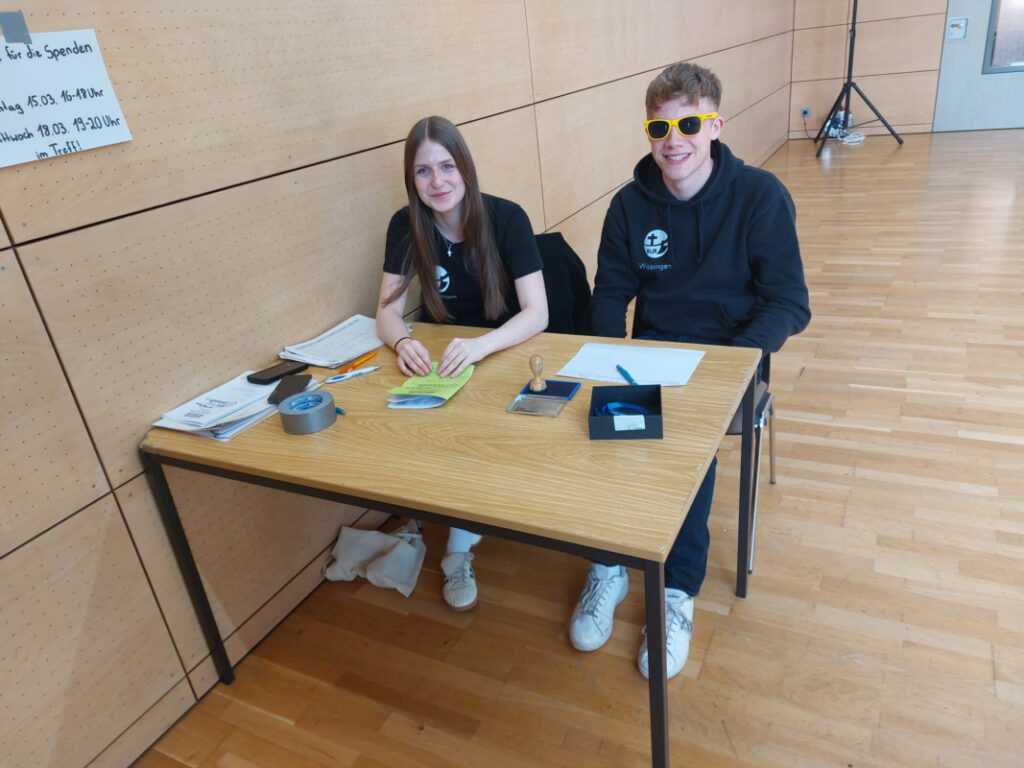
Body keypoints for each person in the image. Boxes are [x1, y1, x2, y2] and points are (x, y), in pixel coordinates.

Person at [569, 62, 811, 678]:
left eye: (689, 125)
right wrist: (609, 362)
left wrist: (733, 364)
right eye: (660, 127)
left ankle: (676, 592)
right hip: (652, 354)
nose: (673, 140)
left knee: (685, 447)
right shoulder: (629, 205)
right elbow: (610, 295)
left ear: (715, 126)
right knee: (601, 430)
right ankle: (608, 566)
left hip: (731, 356)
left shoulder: (760, 197)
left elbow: (788, 303)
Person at [375, 115, 548, 611]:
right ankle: (458, 535)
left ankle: (460, 540)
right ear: (412, 179)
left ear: (465, 167)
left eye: (447, 166)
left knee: (489, 441)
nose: (437, 181)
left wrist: (480, 347)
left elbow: (538, 313)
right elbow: (386, 310)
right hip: (448, 363)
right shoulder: (406, 225)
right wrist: (401, 342)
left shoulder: (506, 217)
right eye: (423, 171)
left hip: (504, 350)